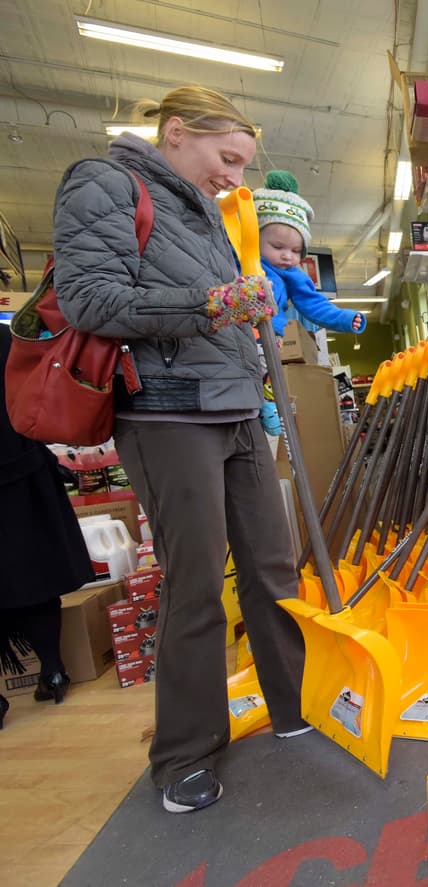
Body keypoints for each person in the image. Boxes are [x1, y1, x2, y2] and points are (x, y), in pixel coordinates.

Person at [52, 86, 311, 814]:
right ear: (175, 133)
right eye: (227, 157)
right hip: (167, 415)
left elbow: (223, 306)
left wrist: (250, 356)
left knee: (272, 567)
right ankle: (184, 755)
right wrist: (212, 306)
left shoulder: (207, 209)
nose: (235, 176)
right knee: (196, 581)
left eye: (242, 164)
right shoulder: (104, 183)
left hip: (233, 411)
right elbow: (90, 299)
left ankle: (293, 708)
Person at [0, 325, 96, 729]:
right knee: (36, 577)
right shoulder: (7, 339)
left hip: (20, 472)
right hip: (20, 470)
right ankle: (53, 670)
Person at [253, 169, 366, 337]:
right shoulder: (235, 258)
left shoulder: (291, 274)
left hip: (270, 335)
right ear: (254, 238)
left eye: (296, 251)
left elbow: (313, 303)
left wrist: (344, 318)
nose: (287, 256)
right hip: (232, 329)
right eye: (277, 247)